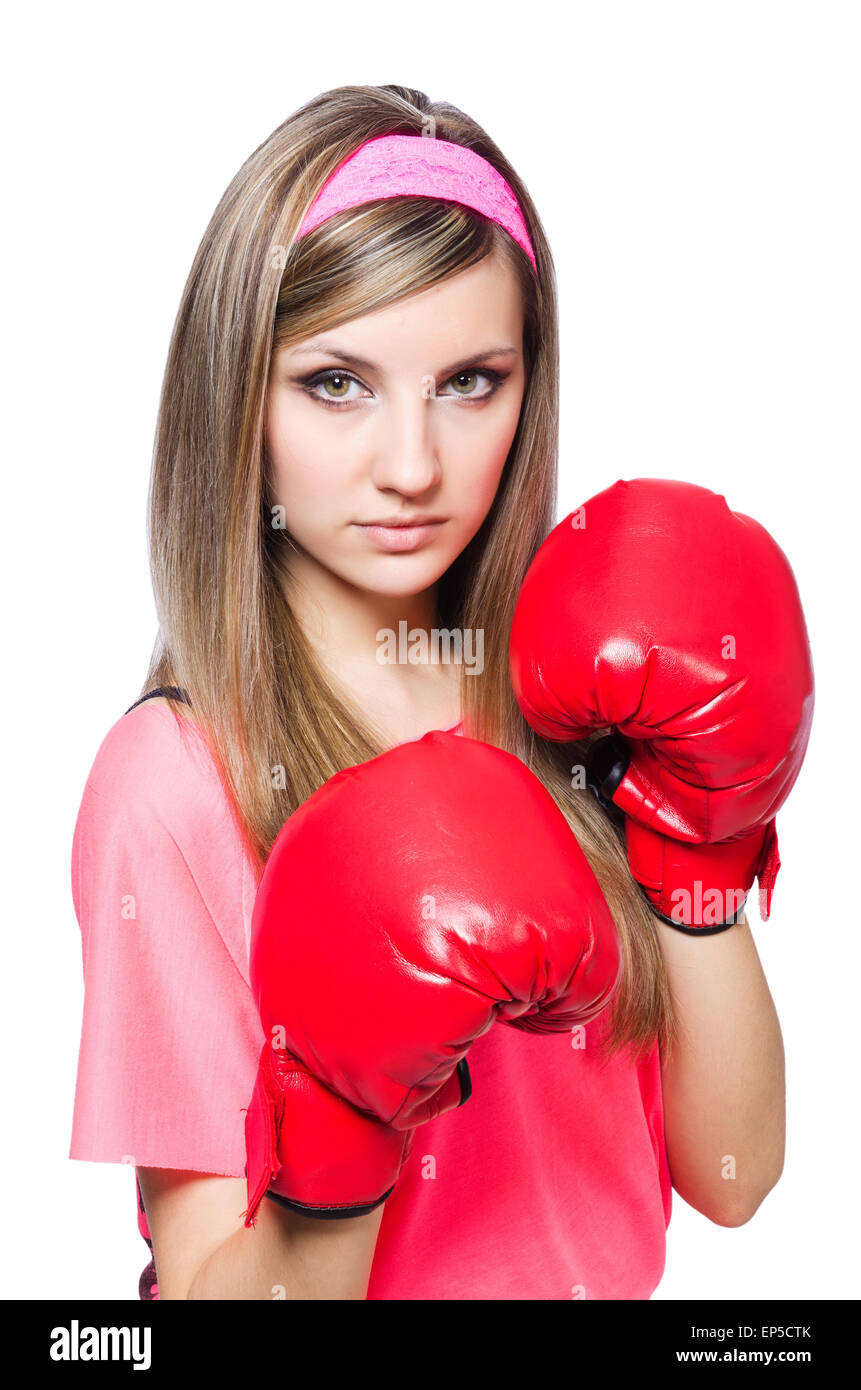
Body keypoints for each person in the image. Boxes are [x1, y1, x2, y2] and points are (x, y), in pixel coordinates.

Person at [68, 83, 801, 1301]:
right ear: (235, 394)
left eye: (470, 381)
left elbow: (737, 1176)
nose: (411, 467)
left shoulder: (592, 703)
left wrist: (704, 840)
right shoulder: (176, 783)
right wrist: (342, 1137)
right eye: (335, 383)